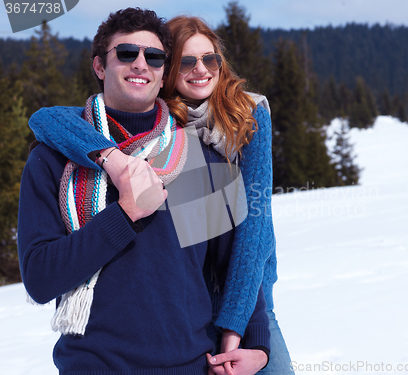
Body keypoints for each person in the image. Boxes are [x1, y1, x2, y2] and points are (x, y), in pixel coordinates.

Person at [28, 14, 294, 375]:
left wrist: (258, 346)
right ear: (99, 66)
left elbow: (237, 258)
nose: (140, 63)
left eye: (154, 57)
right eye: (125, 53)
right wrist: (123, 214)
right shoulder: (55, 159)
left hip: (191, 366)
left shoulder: (198, 157)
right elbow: (41, 279)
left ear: (162, 70)